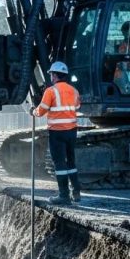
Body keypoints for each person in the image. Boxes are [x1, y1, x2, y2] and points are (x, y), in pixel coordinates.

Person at [32, 61, 81, 205]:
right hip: (72, 131)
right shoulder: (74, 90)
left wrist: (33, 111)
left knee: (60, 164)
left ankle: (64, 195)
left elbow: (41, 111)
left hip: (57, 133)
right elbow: (77, 106)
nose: (51, 77)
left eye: (52, 74)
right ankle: (76, 192)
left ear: (54, 75)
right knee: (71, 162)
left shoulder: (51, 91)